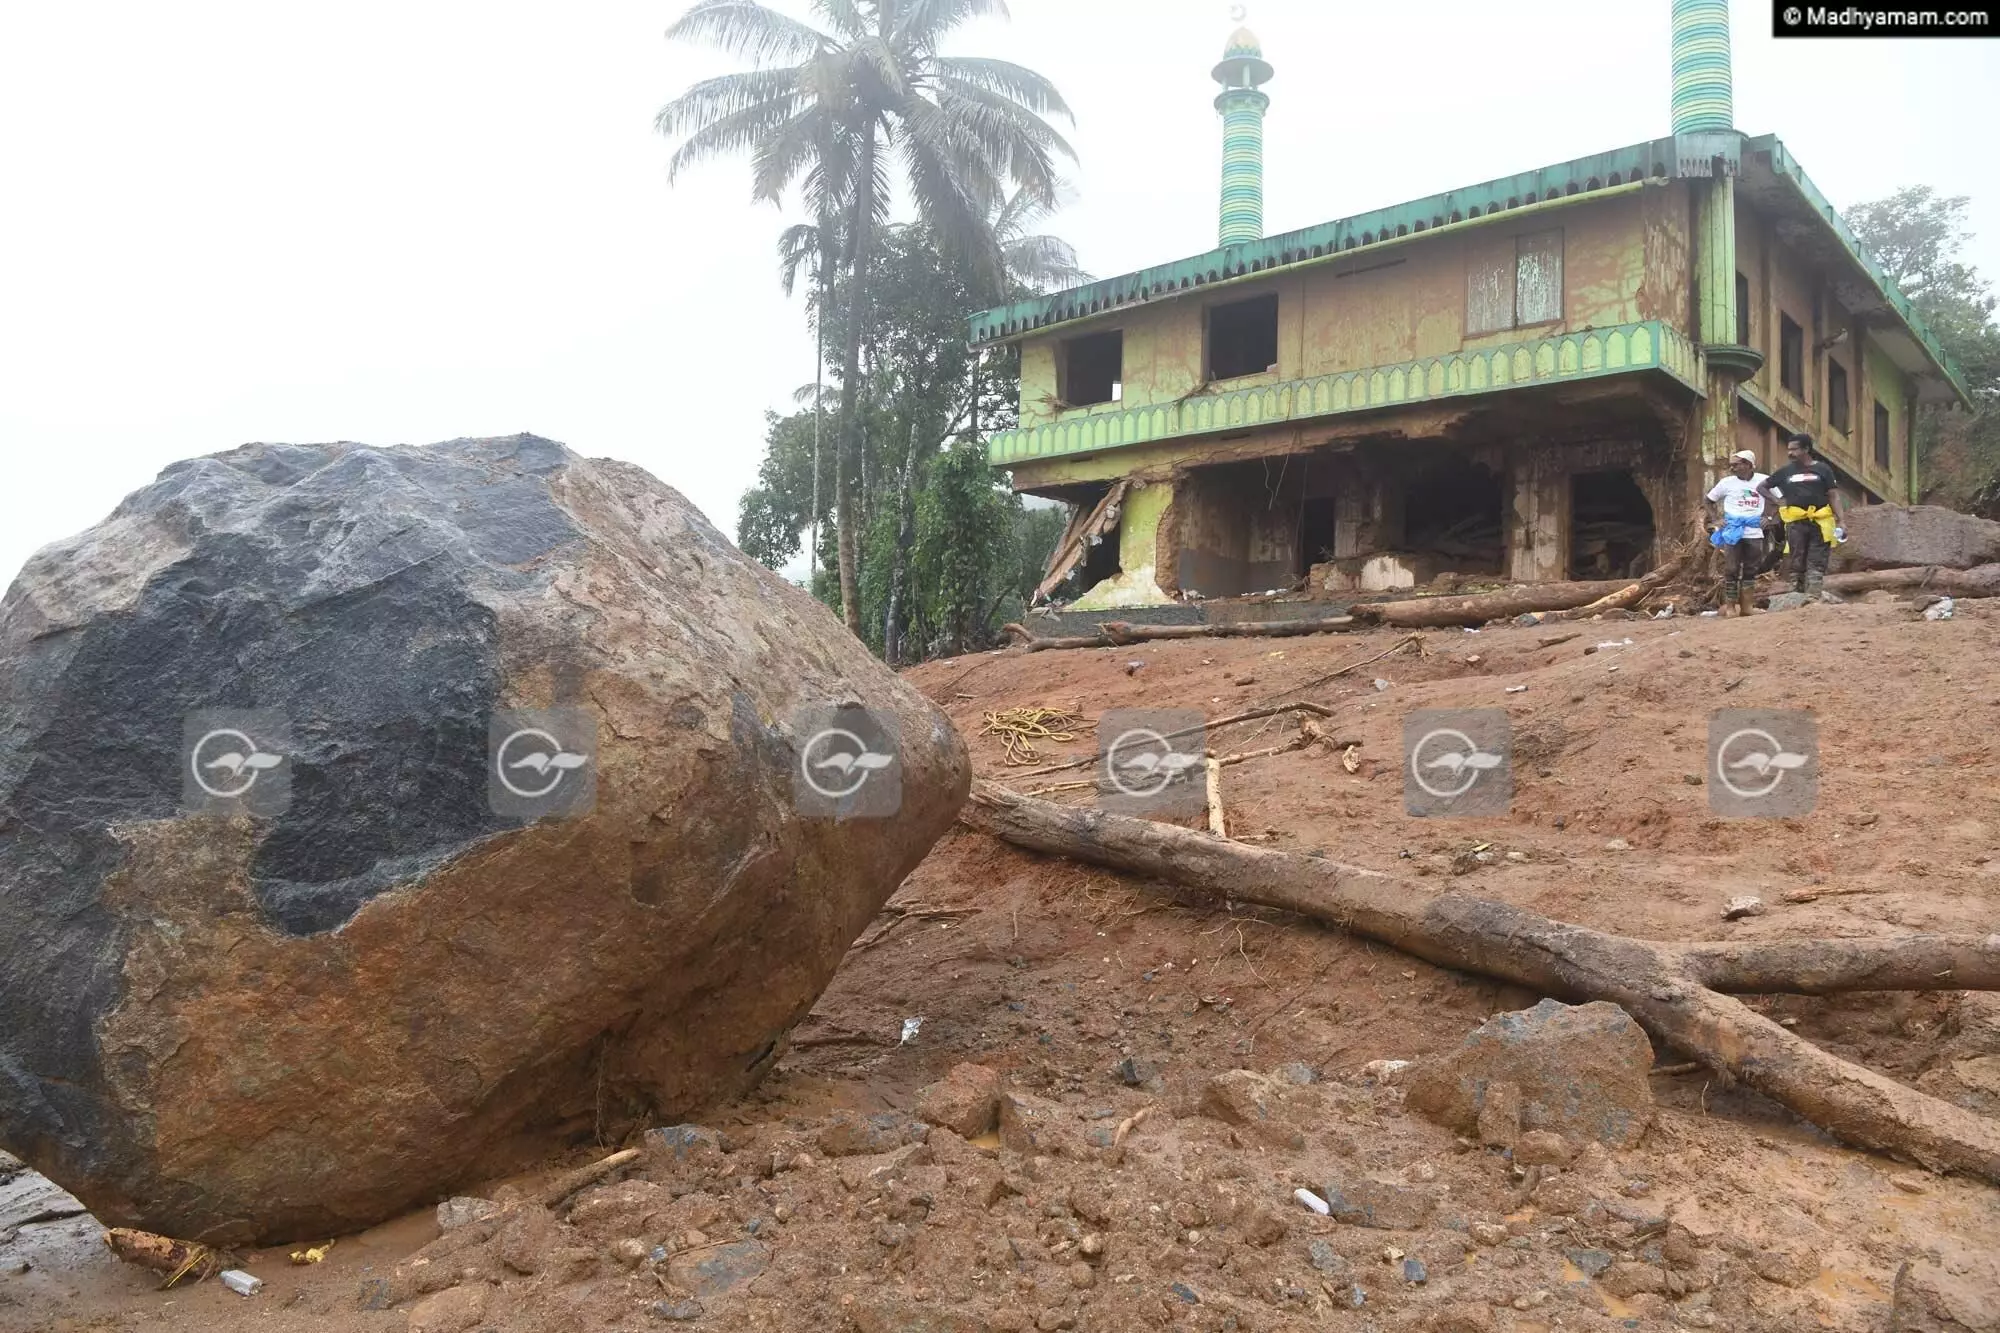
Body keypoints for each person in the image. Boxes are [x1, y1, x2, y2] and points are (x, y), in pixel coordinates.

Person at [1757, 432, 1847, 598]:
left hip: (1820, 521)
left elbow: (1833, 495)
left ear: (1806, 449)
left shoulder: (1823, 469)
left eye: (1795, 449)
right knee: (1796, 559)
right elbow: (1761, 487)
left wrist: (1841, 521)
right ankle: (1796, 597)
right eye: (1789, 449)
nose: (1790, 453)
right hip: (1796, 523)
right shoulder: (1785, 471)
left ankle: (1813, 597)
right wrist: (1777, 501)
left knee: (1817, 560)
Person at [1705, 450, 1768, 616]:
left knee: (1751, 569)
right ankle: (1731, 607)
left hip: (1754, 532)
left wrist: (1769, 517)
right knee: (1731, 569)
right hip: (1733, 531)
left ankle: (1747, 607)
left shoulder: (1763, 480)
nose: (1732, 468)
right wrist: (1716, 519)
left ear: (1748, 464)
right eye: (1731, 465)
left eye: (1736, 465)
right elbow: (1708, 500)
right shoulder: (1727, 483)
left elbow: (1779, 500)